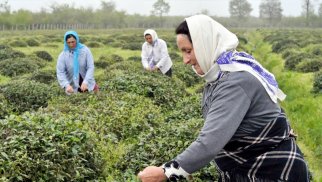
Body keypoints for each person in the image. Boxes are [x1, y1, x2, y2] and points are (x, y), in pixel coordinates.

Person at [138, 14, 309, 182]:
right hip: (246, 169)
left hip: (271, 172)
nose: (185, 60)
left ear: (205, 44)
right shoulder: (218, 76)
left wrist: (165, 172)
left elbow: (209, 143)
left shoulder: (234, 81)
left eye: (188, 51)